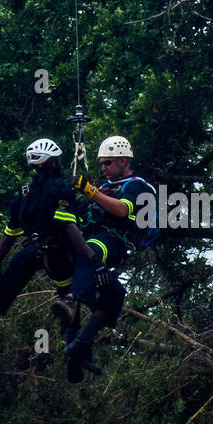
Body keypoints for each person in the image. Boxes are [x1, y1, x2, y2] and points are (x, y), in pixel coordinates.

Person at [0, 138, 101, 377]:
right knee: (70, 301)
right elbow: (70, 227)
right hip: (63, 255)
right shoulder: (61, 188)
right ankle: (74, 352)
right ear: (52, 163)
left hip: (36, 252)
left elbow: (9, 236)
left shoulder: (24, 195)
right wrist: (91, 259)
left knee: (20, 267)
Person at [52, 136, 156, 379]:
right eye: (101, 164)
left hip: (112, 240)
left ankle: (71, 307)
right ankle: (78, 347)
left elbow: (122, 209)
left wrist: (91, 191)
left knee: (91, 254)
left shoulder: (135, 185)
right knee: (114, 294)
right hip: (85, 238)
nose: (104, 168)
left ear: (123, 160)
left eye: (108, 163)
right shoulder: (104, 187)